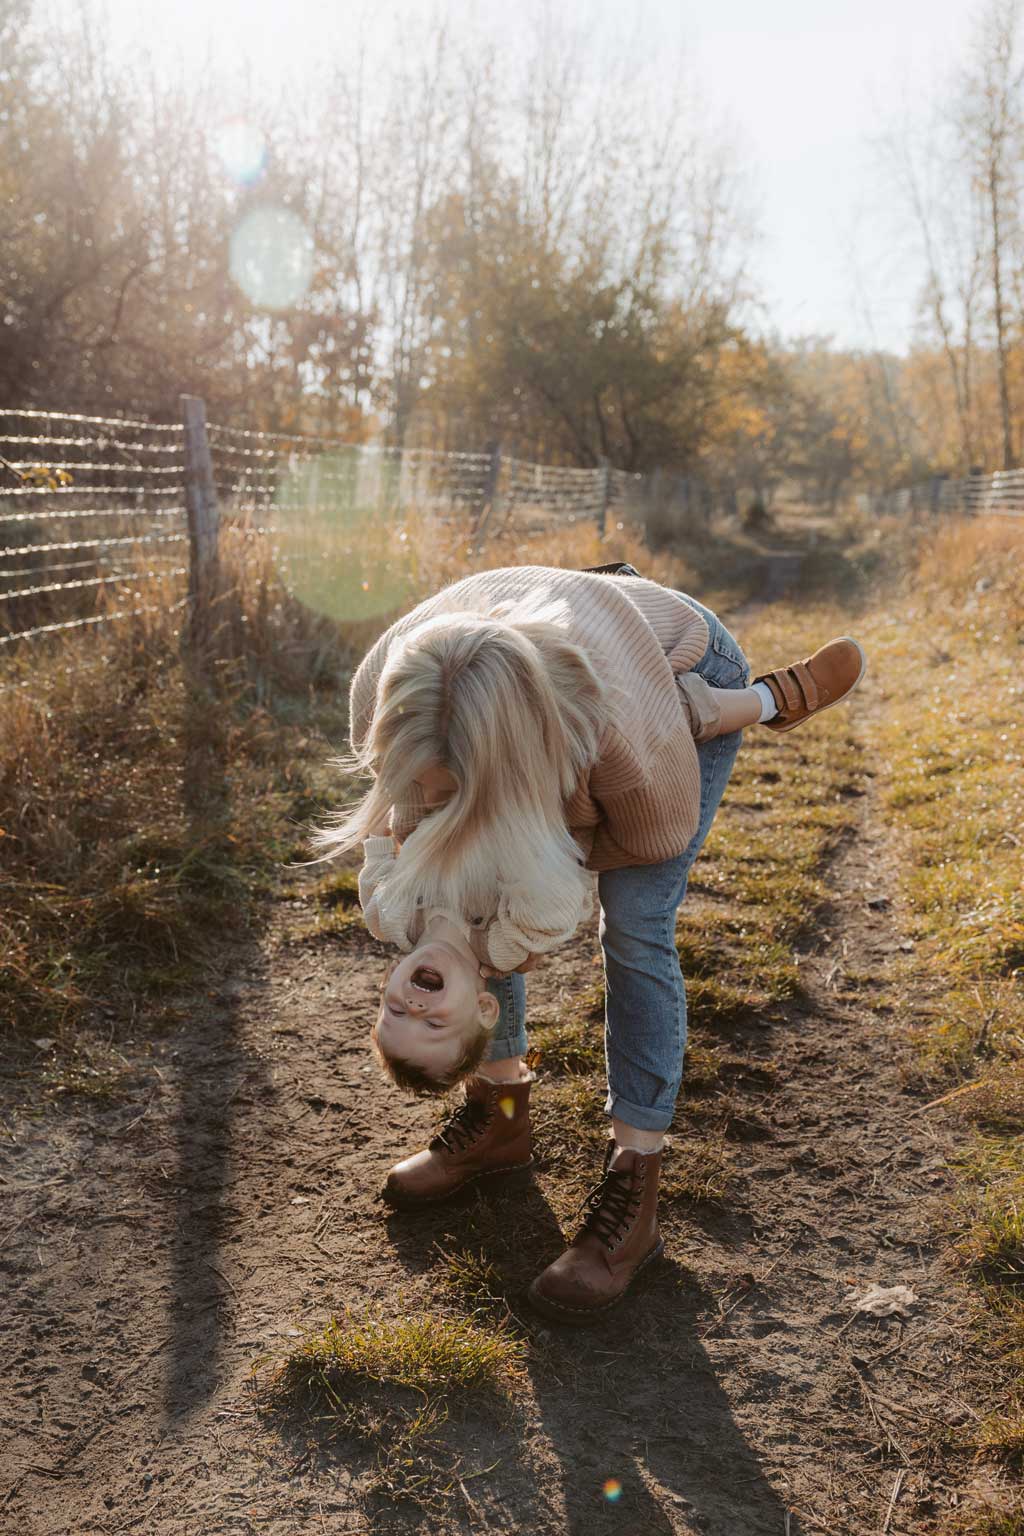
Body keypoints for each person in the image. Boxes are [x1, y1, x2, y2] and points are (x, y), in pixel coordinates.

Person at [314, 562, 865, 1323]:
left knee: (635, 924)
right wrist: (474, 903)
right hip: (527, 663)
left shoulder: (613, 734)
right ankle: (500, 1118)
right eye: (434, 1017)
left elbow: (650, 836)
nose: (411, 996)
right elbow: (396, 826)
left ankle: (635, 1176)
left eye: (398, 1010)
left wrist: (525, 870)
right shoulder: (386, 709)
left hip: (664, 672)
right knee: (476, 867)